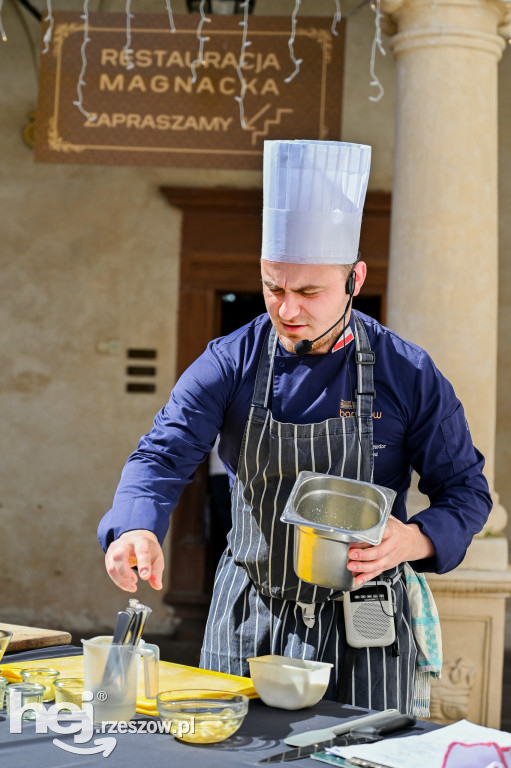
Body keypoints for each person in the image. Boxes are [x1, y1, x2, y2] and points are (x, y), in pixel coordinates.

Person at [98, 140, 491, 714]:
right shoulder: (229, 362)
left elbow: (465, 492)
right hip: (249, 615)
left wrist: (413, 539)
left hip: (368, 623)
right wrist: (135, 526)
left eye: (310, 292)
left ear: (354, 279)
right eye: (273, 287)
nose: (287, 310)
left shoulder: (408, 373)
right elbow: (160, 456)